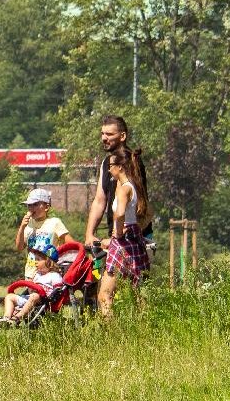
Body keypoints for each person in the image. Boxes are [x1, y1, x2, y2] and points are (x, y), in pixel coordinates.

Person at [83, 114, 150, 316]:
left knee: (132, 294)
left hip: (131, 235)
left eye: (109, 134)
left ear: (122, 136)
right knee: (116, 292)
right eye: (102, 133)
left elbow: (142, 203)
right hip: (118, 235)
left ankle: (130, 334)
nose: (104, 138)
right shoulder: (106, 163)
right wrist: (89, 233)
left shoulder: (132, 161)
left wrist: (124, 233)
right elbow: (99, 199)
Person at [99, 151, 152, 314]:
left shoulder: (123, 189)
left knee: (105, 295)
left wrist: (118, 233)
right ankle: (145, 329)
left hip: (123, 241)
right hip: (134, 238)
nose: (108, 170)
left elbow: (120, 213)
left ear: (120, 167)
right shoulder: (132, 186)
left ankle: (111, 333)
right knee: (137, 293)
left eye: (110, 166)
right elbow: (147, 214)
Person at [0, 234, 66, 327]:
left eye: (38, 259)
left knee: (34, 296)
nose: (35, 262)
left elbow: (58, 291)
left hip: (44, 301)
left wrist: (49, 297)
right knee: (10, 296)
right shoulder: (37, 274)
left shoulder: (54, 276)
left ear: (48, 261)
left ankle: (18, 317)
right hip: (31, 297)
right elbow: (31, 290)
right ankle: (6, 318)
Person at [14, 188, 71, 279]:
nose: (31, 208)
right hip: (30, 274)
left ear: (46, 207)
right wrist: (22, 227)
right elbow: (19, 247)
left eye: (35, 204)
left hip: (49, 274)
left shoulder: (55, 222)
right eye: (29, 205)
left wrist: (50, 262)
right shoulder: (28, 224)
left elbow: (71, 245)